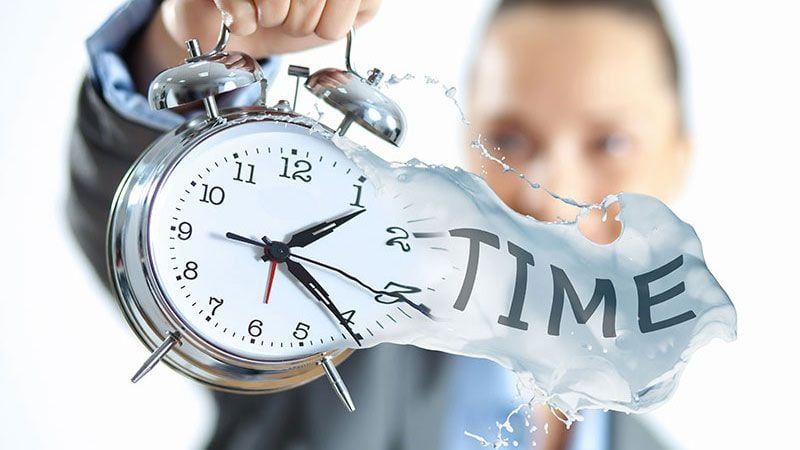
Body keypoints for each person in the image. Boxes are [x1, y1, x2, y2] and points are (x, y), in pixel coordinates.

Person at [68, 0, 685, 448]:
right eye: (510, 138)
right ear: (468, 146)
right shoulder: (332, 333)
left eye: (611, 142)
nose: (555, 198)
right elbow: (150, 230)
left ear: (676, 159)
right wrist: (182, 48)